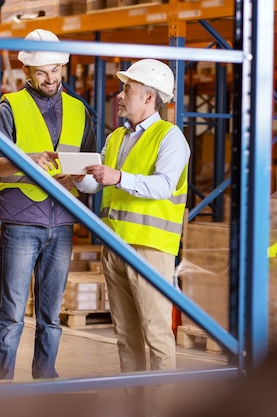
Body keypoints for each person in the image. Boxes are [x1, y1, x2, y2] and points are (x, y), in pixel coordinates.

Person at [73, 59, 190, 413]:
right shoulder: (116, 137)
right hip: (114, 245)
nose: (120, 96)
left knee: (155, 332)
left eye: (128, 89)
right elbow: (99, 183)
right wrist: (80, 176)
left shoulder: (171, 138)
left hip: (150, 248)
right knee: (125, 333)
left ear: (150, 98)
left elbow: (164, 186)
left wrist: (118, 177)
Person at [0, 29, 96, 380]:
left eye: (55, 70)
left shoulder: (79, 110)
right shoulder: (10, 107)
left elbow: (90, 164)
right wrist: (26, 160)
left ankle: (45, 380)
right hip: (21, 221)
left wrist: (78, 178)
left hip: (61, 221)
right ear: (27, 73)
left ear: (63, 66)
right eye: (42, 72)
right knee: (13, 313)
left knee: (51, 315)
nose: (50, 79)